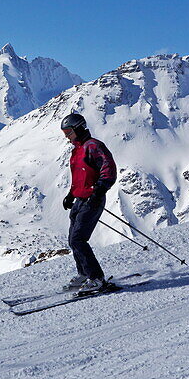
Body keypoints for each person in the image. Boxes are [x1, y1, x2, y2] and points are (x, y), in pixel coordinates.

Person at [59, 113, 117, 293]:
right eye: (65, 133)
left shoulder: (93, 146)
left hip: (93, 199)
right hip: (80, 199)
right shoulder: (77, 150)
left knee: (78, 239)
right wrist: (71, 194)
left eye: (69, 132)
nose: (67, 136)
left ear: (78, 128)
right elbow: (80, 176)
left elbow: (109, 168)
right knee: (72, 239)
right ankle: (84, 273)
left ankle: (97, 278)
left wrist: (99, 191)